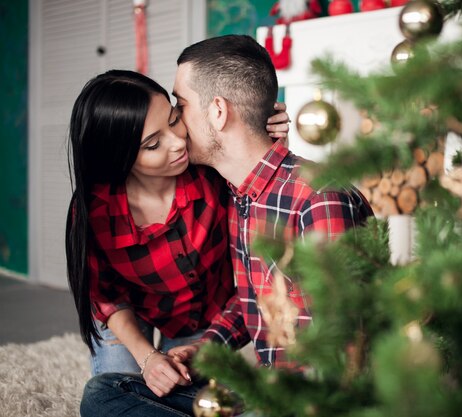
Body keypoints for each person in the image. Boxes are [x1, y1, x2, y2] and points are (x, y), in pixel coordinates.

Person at [80, 35, 373, 417]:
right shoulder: (241, 193)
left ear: (218, 111)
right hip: (267, 389)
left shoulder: (318, 199)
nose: (179, 133)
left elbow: (337, 355)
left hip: (304, 403)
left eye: (178, 109)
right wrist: (205, 348)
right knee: (104, 393)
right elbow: (254, 296)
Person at [65, 69, 290, 399]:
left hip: (203, 315)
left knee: (194, 399)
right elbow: (106, 296)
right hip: (131, 311)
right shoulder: (94, 210)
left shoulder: (209, 169)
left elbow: (262, 194)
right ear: (120, 159)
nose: (178, 141)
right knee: (112, 393)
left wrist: (266, 138)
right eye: (153, 144)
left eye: (173, 119)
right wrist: (148, 357)